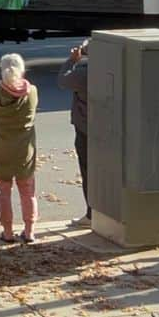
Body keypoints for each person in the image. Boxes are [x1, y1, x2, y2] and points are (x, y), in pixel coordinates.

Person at [0, 53, 40, 243]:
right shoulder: (31, 92)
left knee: (3, 192)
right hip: (25, 150)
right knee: (28, 191)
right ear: (22, 69)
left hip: (0, 148)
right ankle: (30, 230)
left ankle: (7, 232)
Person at [57, 40, 91, 227]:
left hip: (85, 129)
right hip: (109, 131)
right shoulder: (116, 70)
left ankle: (91, 214)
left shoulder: (84, 73)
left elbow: (63, 79)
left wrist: (72, 60)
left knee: (88, 172)